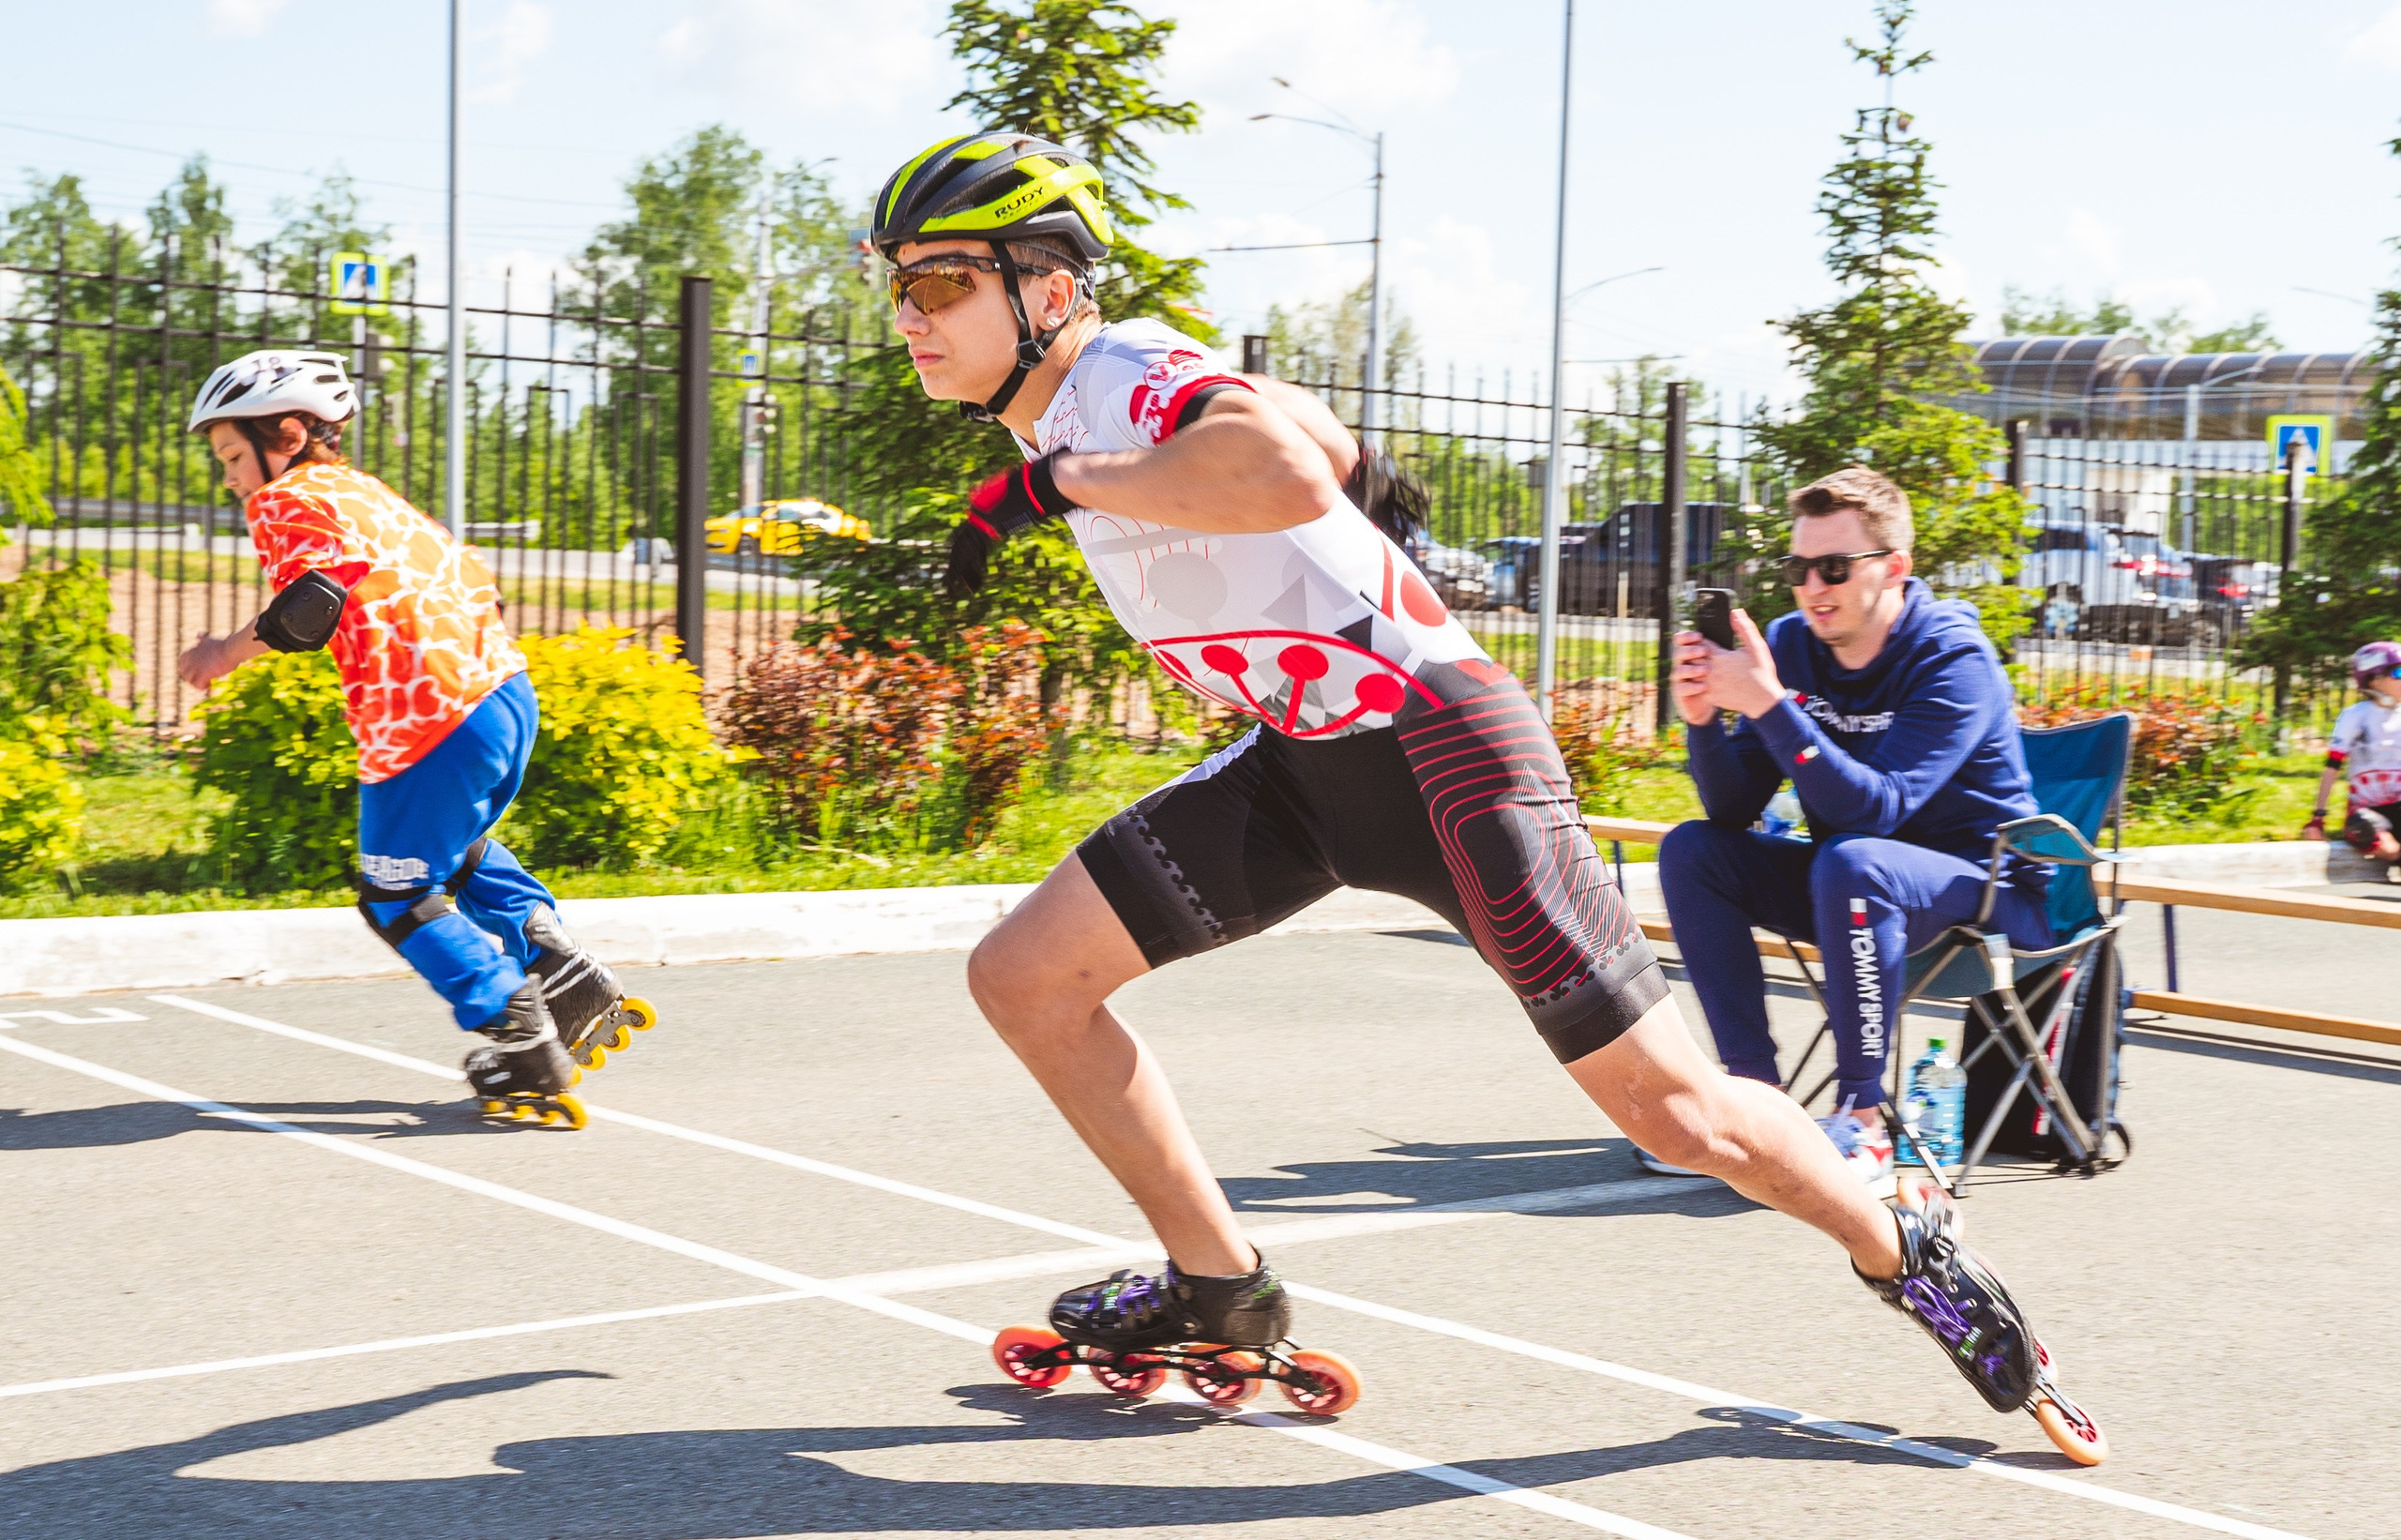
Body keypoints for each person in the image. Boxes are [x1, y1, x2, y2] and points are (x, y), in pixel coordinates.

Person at [876, 131, 2101, 1455]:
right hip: (1303, 763)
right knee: (1025, 974)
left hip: (1446, 750)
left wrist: (1056, 484)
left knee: (1676, 1114)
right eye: (898, 287)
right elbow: (1321, 447)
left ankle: (1892, 1228)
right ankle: (1218, 1284)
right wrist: (1343, 470)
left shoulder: (1117, 371)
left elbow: (1280, 471)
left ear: (1049, 291)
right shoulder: (1073, 402)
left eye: (943, 284)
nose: (911, 315)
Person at [176, 351, 653, 1128]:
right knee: (454, 847)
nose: (230, 477)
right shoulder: (366, 494)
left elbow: (309, 608)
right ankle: (560, 967)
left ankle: (517, 1027)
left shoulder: (287, 497)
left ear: (289, 433)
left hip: (426, 718)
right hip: (504, 693)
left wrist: (224, 652)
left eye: (232, 455)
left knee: (395, 889)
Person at [1657, 469, 2050, 1193]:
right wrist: (1706, 719)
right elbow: (1731, 810)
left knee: (1856, 857)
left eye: (1834, 567)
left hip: (1986, 888)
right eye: (1798, 568)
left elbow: (1881, 806)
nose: (1812, 586)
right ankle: (1756, 1107)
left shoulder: (1952, 656)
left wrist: (1771, 705)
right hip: (1851, 885)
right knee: (1692, 851)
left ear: (1893, 568)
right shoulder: (1793, 645)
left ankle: (1863, 1117)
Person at [2303, 641, 2401, 882]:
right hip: (2368, 811)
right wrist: (2318, 818)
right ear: (2374, 679)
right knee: (2374, 837)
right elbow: (2332, 767)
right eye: (2398, 672)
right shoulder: (2356, 716)